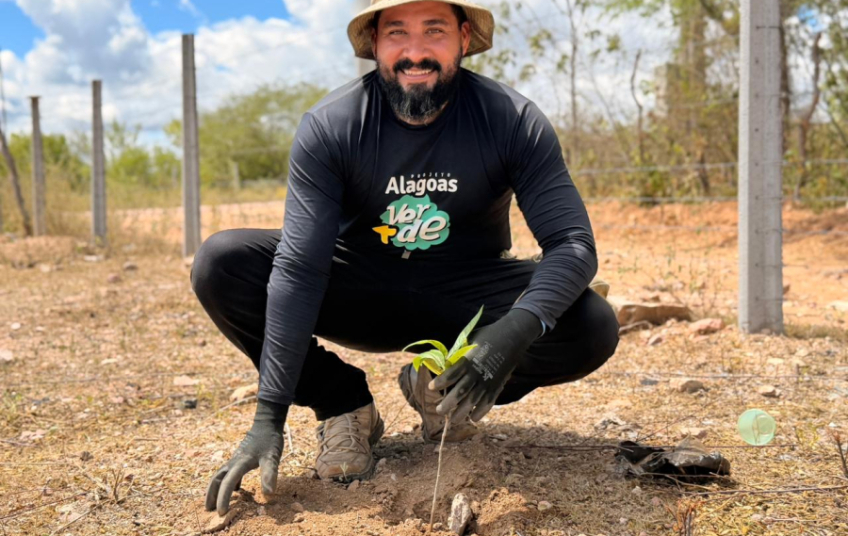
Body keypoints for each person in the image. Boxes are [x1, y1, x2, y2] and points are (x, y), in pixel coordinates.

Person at [191, 0, 619, 516]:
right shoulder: (332, 126)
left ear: (463, 37)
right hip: (359, 287)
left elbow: (573, 243)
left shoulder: (511, 119)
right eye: (397, 33)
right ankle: (342, 403)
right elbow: (301, 268)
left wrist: (509, 335)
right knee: (222, 262)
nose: (416, 52)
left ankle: (443, 388)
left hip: (467, 297)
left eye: (434, 31)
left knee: (589, 322)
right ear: (374, 43)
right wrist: (268, 416)